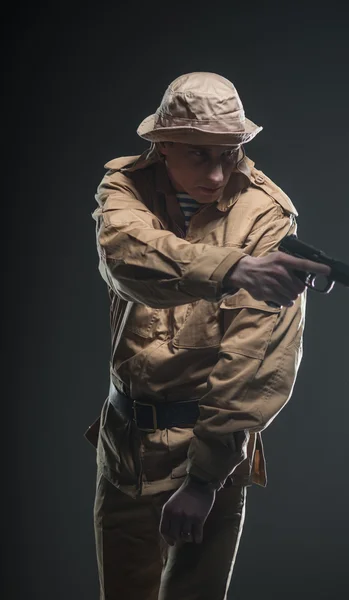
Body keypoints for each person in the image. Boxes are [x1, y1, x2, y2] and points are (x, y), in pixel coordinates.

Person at [84, 71, 331, 600]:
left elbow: (256, 356)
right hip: (125, 443)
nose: (218, 175)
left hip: (209, 447)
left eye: (231, 154)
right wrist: (234, 269)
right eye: (199, 155)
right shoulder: (124, 186)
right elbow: (127, 259)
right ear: (162, 145)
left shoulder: (266, 213)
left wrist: (204, 481)